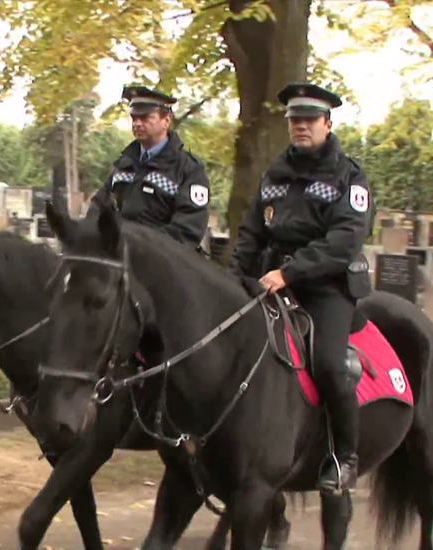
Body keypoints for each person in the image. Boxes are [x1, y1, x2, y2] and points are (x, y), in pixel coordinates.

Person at [229, 82, 374, 495]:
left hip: (327, 286)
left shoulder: (350, 177)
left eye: (309, 119)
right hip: (272, 282)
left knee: (329, 364)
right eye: (294, 120)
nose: (301, 126)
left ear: (328, 124)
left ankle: (344, 457)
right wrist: (234, 278)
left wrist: (290, 274)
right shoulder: (275, 174)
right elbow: (251, 233)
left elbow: (344, 240)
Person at [86, 85, 211, 249]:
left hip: (163, 261)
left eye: (146, 118)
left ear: (166, 121)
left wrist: (138, 244)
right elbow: (98, 206)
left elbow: (187, 230)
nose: (137, 124)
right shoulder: (125, 164)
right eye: (134, 118)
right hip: (120, 258)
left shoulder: (188, 169)